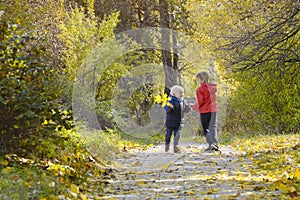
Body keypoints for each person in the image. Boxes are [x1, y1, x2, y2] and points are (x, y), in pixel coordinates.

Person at [192, 71, 219, 151]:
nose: (198, 82)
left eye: (198, 80)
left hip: (205, 111)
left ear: (202, 80)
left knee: (206, 129)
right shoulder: (212, 88)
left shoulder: (200, 90)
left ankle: (211, 144)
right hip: (214, 110)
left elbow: (200, 101)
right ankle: (215, 143)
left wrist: (193, 108)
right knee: (213, 127)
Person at [164, 85, 191, 153]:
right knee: (168, 135)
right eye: (180, 93)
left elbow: (186, 110)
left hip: (179, 122)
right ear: (174, 94)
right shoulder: (170, 101)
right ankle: (167, 144)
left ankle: (176, 147)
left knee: (177, 135)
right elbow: (166, 109)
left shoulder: (183, 101)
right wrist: (170, 107)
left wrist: (189, 107)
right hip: (170, 122)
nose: (182, 94)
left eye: (183, 93)